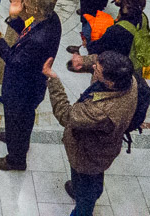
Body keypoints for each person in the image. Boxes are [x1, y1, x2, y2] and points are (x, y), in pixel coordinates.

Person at [44, 51, 138, 216]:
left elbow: (67, 115)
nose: (94, 67)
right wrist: (84, 62)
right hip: (105, 148)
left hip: (89, 153)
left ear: (109, 82)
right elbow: (98, 60)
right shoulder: (129, 81)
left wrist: (53, 80)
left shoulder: (100, 111)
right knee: (93, 178)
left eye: (97, 71)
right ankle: (82, 190)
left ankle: (82, 209)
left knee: (86, 187)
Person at [0, 0, 62, 171]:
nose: (23, 4)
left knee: (19, 118)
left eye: (26, 1)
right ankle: (14, 138)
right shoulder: (49, 19)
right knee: (19, 119)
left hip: (23, 87)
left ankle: (16, 159)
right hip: (30, 82)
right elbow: (27, 31)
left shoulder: (39, 39)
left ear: (35, 8)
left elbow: (15, 61)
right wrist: (14, 17)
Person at [70, 0, 150, 70]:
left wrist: (87, 43)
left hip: (115, 67)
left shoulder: (117, 31)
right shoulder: (143, 17)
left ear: (126, 2)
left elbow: (96, 48)